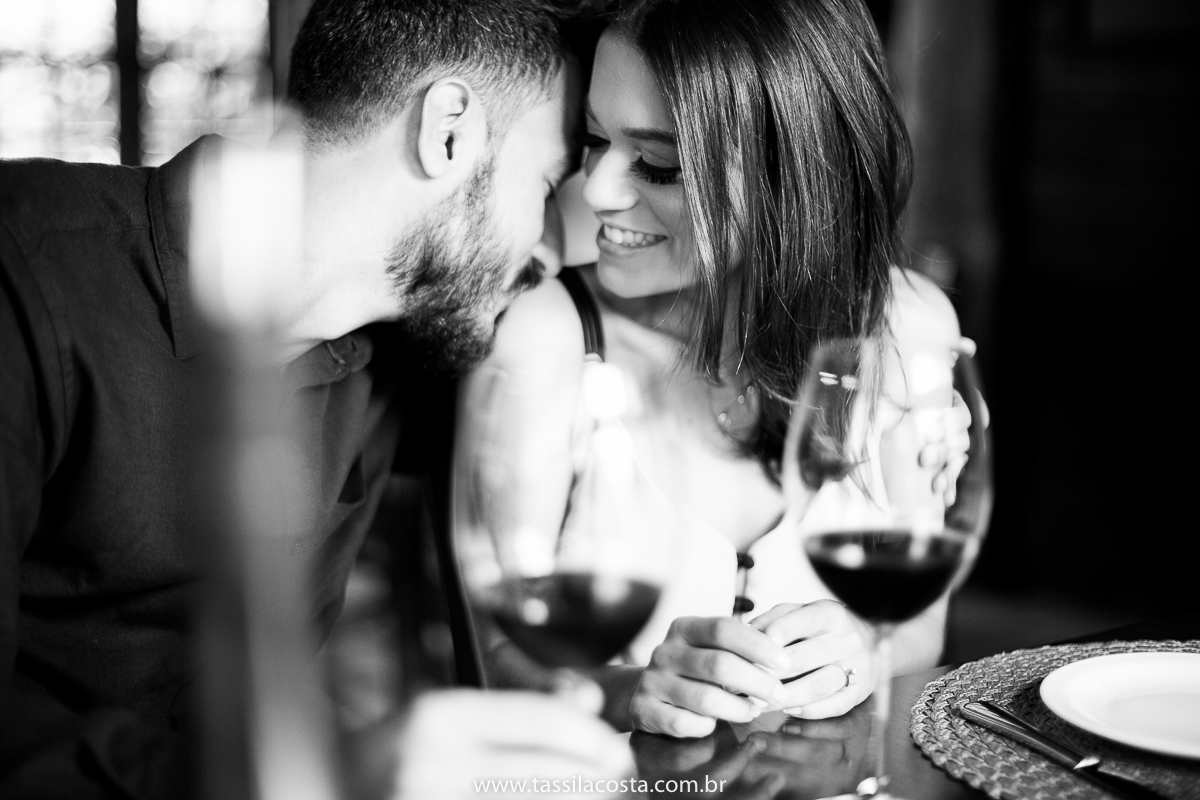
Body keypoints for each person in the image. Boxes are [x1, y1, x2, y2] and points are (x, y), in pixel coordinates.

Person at [0, 1, 632, 797]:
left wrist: (632, 690)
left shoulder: (407, 348)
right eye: (546, 184)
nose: (547, 244)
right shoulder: (24, 274)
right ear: (447, 133)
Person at [454, 0, 972, 738]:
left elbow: (921, 628)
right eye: (593, 140)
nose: (598, 189)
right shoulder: (550, 337)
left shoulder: (906, 330)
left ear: (790, 175)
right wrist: (627, 690)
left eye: (659, 164)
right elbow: (496, 654)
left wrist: (865, 646)